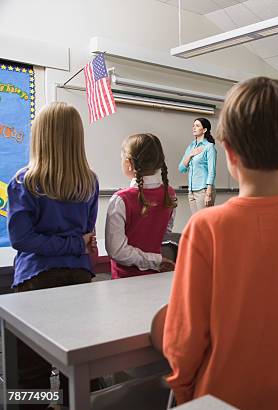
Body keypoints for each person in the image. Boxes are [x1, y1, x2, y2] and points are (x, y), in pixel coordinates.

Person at [163, 77, 278, 409]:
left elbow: (184, 335)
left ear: (227, 149)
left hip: (218, 398)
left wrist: (183, 391)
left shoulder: (205, 227)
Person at [7, 101, 98, 408]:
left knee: (30, 370)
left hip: (36, 281)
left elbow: (21, 239)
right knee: (81, 363)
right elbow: (85, 236)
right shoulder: (89, 182)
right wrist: (73, 246)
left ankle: (41, 404)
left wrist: (72, 244)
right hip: (78, 277)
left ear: (39, 136)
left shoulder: (23, 182)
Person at [105, 133, 177, 279]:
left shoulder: (120, 200)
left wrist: (154, 261)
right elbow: (164, 233)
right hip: (157, 277)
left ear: (129, 163)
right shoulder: (170, 194)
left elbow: (117, 251)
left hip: (124, 281)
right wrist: (155, 260)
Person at [179, 117, 217, 213]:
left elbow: (212, 171)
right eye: (193, 125)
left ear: (204, 130)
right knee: (197, 223)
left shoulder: (209, 147)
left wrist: (208, 193)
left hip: (204, 190)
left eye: (197, 125)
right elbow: (182, 168)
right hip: (191, 191)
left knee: (204, 224)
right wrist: (191, 154)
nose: (194, 128)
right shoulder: (191, 147)